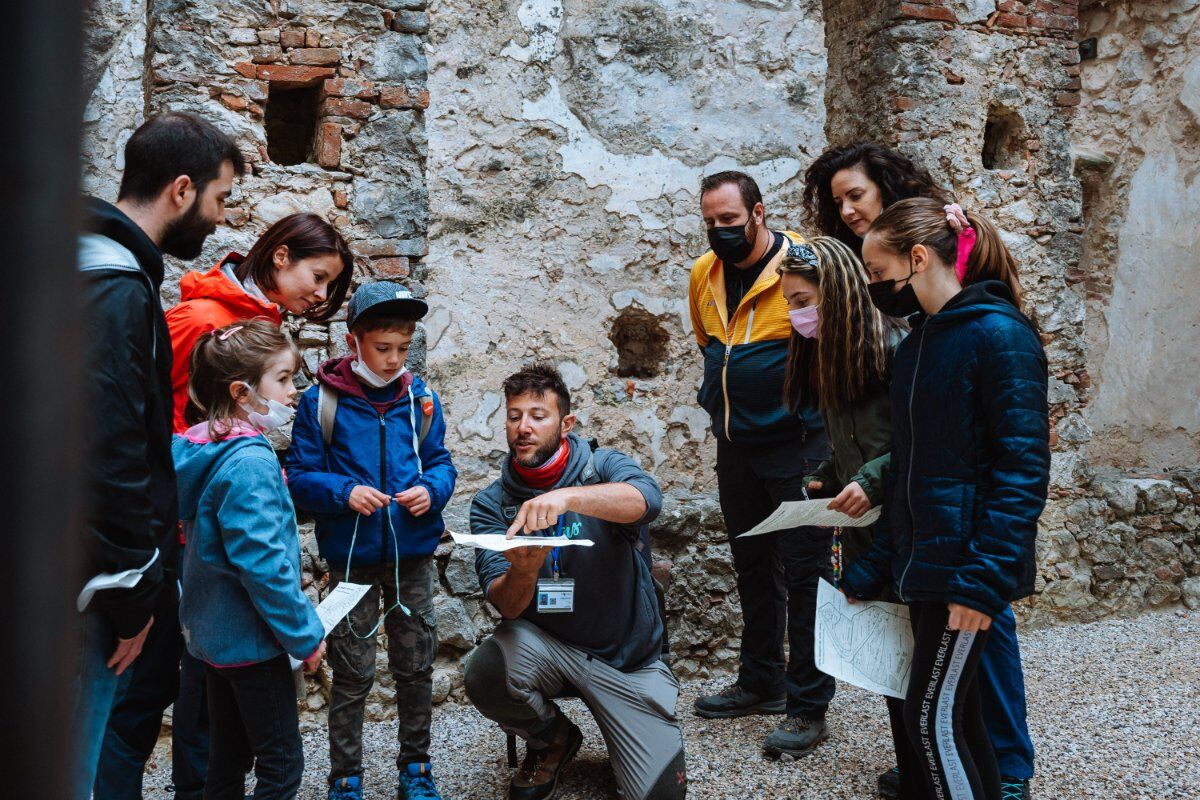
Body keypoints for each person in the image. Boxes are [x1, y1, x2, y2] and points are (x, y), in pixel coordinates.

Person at [803, 142, 1035, 799]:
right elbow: (913, 465)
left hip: (966, 564)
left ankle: (1010, 768)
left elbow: (1017, 471)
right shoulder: (922, 343)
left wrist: (985, 580)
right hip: (925, 560)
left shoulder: (993, 335)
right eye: (837, 200)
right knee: (938, 718)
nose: (845, 209)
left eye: (856, 195)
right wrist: (873, 571)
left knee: (936, 718)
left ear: (918, 257)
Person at [97, 211, 354, 800]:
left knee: (210, 734)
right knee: (166, 709)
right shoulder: (203, 324)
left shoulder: (252, 340)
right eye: (317, 278)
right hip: (190, 563)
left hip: (202, 576)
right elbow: (136, 417)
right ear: (281, 255)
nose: (319, 296)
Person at [74, 111, 241, 800]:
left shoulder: (85, 264)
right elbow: (109, 448)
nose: (220, 217)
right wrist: (134, 592)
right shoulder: (114, 287)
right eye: (220, 197)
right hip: (85, 588)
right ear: (181, 189)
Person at [462, 364, 686, 800]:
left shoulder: (603, 465)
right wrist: (524, 569)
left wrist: (565, 496)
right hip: (550, 651)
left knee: (659, 795)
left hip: (627, 659)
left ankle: (629, 729)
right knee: (485, 671)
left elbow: (647, 499)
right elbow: (506, 606)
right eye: (514, 415)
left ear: (566, 424)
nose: (523, 427)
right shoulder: (492, 503)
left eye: (537, 415)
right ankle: (553, 739)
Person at [286, 281, 457, 800]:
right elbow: (297, 476)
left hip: (412, 560)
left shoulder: (421, 398)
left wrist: (432, 491)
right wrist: (345, 492)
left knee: (416, 667)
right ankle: (345, 776)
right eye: (382, 349)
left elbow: (441, 462)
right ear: (352, 339)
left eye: (402, 349)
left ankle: (417, 769)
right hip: (351, 563)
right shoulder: (321, 402)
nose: (393, 360)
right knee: (353, 672)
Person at [686, 170, 833, 758]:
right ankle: (760, 680)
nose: (720, 231)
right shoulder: (704, 273)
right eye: (710, 223)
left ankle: (806, 706)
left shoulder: (801, 265)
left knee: (807, 574)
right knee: (752, 564)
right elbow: (709, 347)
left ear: (758, 212)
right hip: (735, 447)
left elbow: (831, 343)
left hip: (799, 444)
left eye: (729, 220)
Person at [777, 235, 912, 793]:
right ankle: (913, 759)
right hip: (865, 527)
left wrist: (869, 478)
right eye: (789, 303)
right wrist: (828, 477)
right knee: (889, 649)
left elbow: (917, 441)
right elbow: (854, 443)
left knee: (918, 650)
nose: (796, 315)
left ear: (839, 296)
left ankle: (940, 760)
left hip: (906, 525)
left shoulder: (896, 352)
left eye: (803, 300)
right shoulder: (831, 358)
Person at [174, 319, 327, 800]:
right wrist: (305, 637)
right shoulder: (250, 463)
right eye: (282, 379)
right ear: (242, 392)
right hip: (253, 645)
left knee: (228, 756)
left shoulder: (203, 448)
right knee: (281, 765)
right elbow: (264, 566)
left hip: (213, 641)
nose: (293, 391)